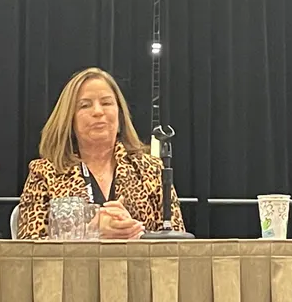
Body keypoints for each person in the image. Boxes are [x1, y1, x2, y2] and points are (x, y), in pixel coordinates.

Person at [16, 67, 184, 239]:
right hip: (73, 267)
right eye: (85, 105)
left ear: (119, 114)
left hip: (137, 265)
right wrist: (91, 233)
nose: (98, 111)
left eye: (106, 103)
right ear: (69, 119)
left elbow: (179, 245)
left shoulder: (152, 170)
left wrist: (135, 234)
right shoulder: (45, 173)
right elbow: (27, 251)